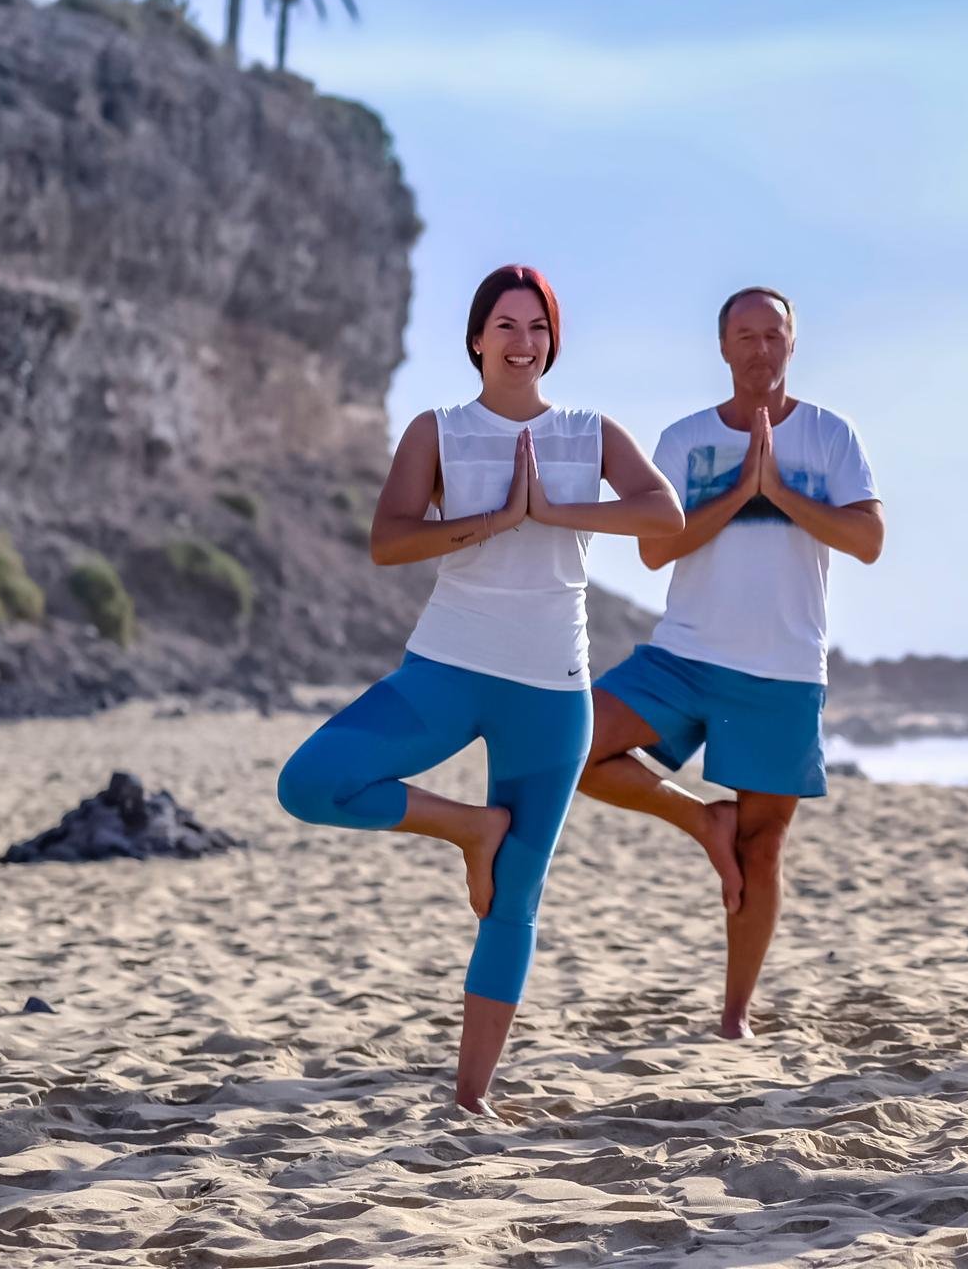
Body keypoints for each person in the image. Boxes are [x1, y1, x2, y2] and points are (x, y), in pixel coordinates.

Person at [277, 265, 683, 1114]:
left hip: (553, 687)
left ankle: (470, 1098)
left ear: (553, 341)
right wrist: (495, 519)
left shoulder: (588, 431)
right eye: (505, 325)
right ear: (475, 339)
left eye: (537, 327)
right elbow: (388, 541)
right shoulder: (440, 430)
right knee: (310, 782)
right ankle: (469, 827)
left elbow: (665, 515)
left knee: (516, 898)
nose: (522, 341)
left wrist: (555, 514)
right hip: (449, 667)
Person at [578, 286, 883, 1041]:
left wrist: (777, 491)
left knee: (764, 846)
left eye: (773, 335)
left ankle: (733, 1016)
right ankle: (699, 819)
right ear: (723, 348)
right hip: (684, 654)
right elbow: (656, 547)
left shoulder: (830, 435)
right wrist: (739, 489)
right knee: (569, 745)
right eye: (744, 336)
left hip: (783, 668)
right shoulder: (685, 440)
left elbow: (868, 539)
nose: (759, 349)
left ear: (792, 344)